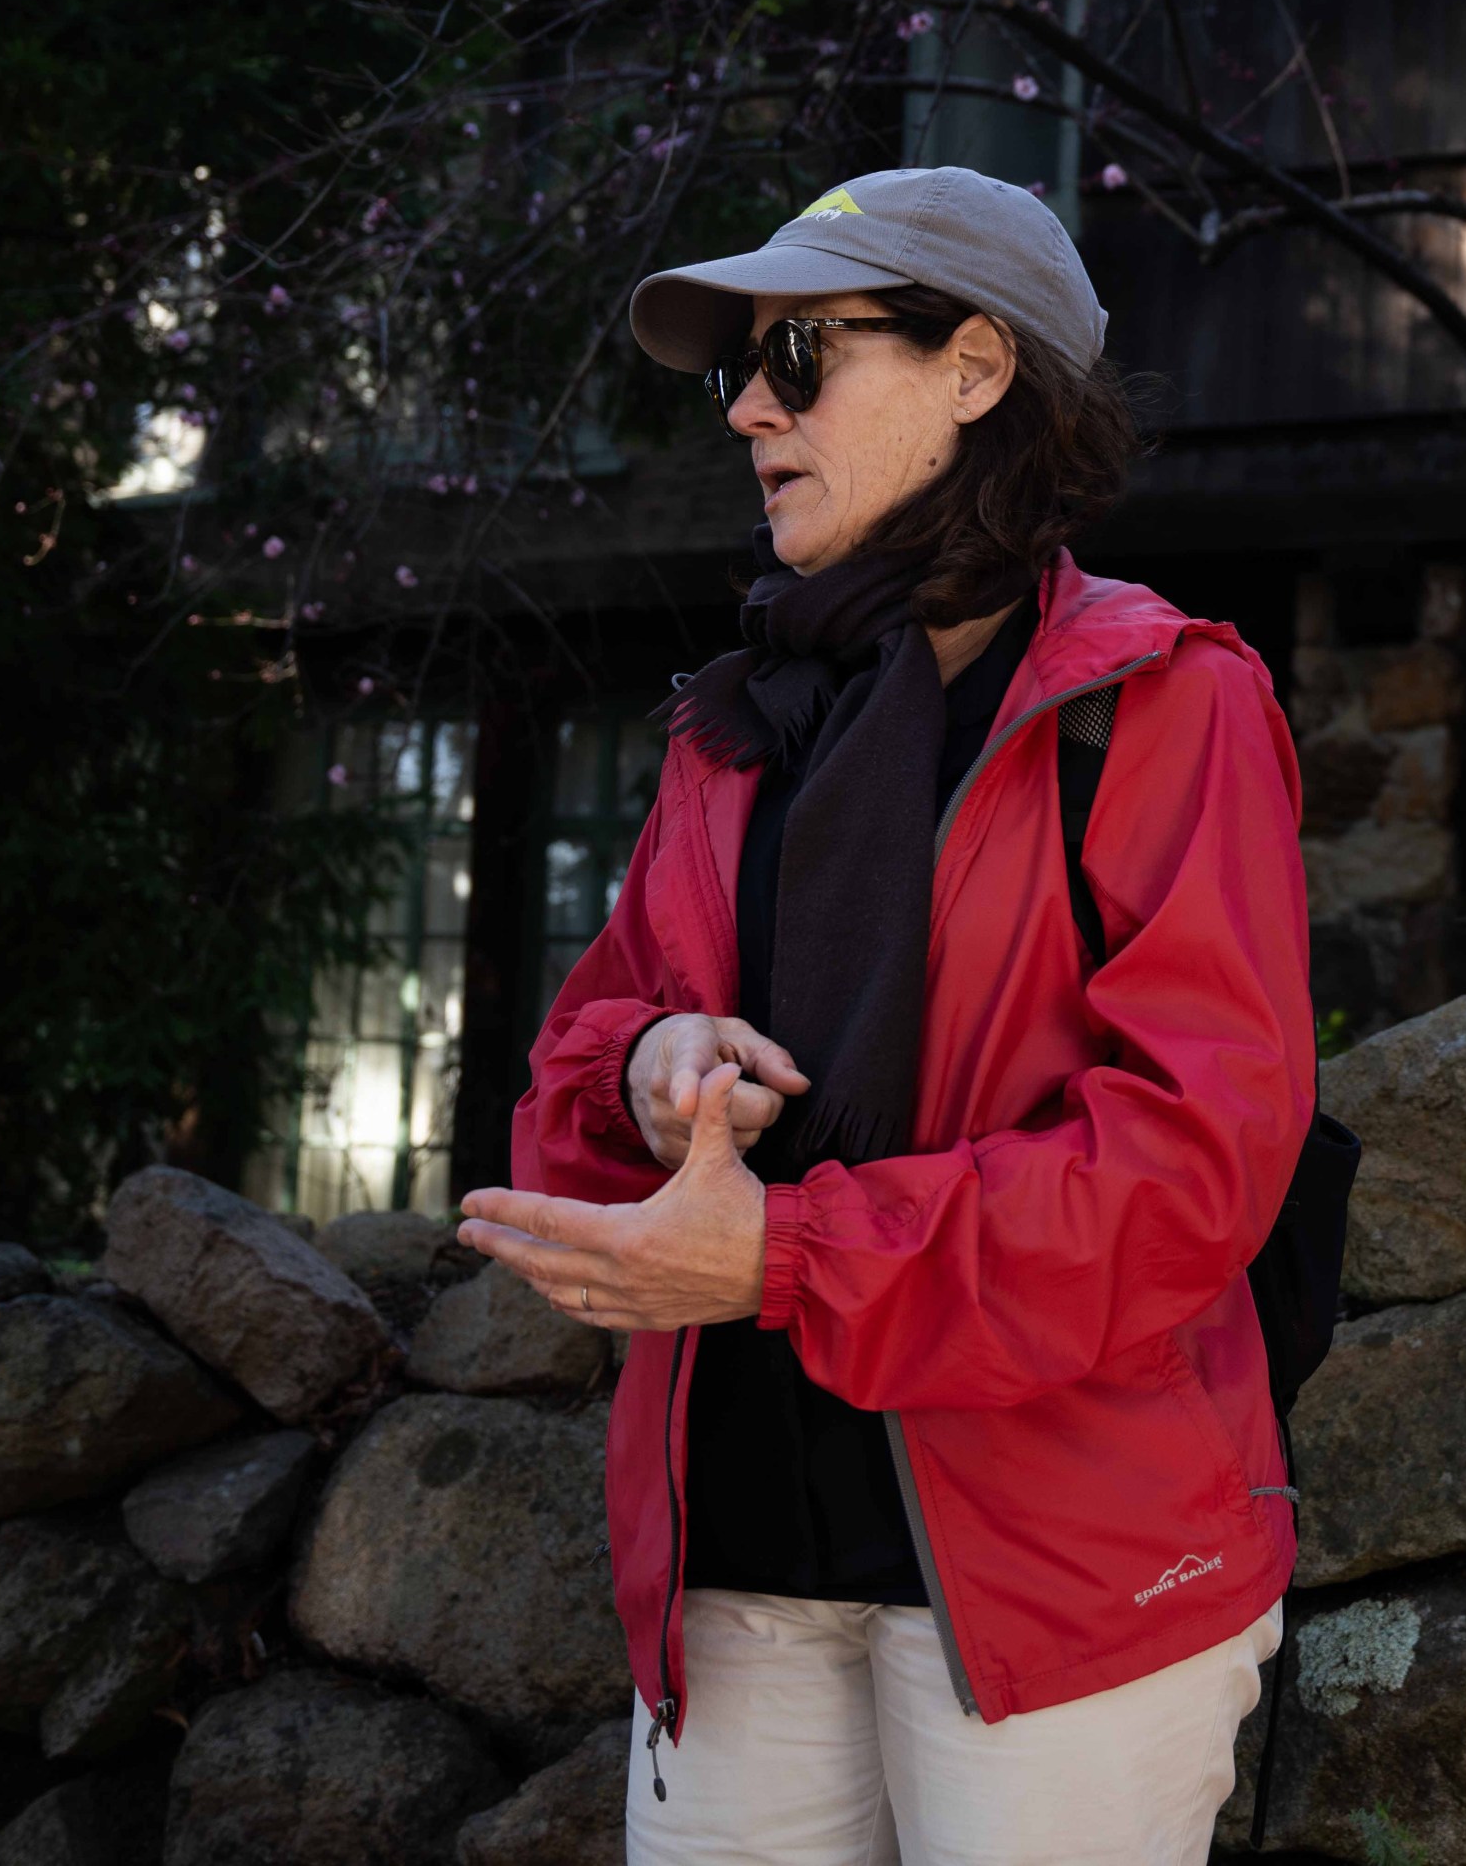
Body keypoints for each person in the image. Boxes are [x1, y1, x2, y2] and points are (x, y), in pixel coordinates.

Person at [457, 168, 1313, 1866]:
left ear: (978, 368)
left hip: (1061, 1581)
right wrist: (649, 1070)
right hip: (736, 1574)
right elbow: (578, 1055)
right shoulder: (733, 729)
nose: (751, 410)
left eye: (799, 354)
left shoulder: (1160, 704)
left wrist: (784, 1258)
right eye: (736, 374)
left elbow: (1190, 1169)